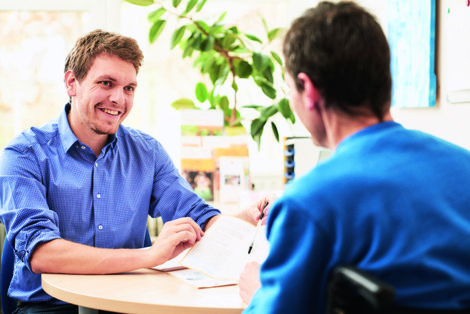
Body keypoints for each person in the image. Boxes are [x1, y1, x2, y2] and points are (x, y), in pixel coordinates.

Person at [0, 29, 265, 314]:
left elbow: (198, 215)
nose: (118, 98)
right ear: (71, 83)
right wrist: (150, 255)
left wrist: (244, 220)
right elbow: (42, 253)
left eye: (129, 88)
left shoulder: (147, 152)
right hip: (50, 308)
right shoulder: (24, 154)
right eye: (106, 83)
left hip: (130, 304)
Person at [240, 1, 470, 313]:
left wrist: (258, 293)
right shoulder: (464, 167)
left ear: (307, 89)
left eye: (289, 87)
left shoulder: (308, 203)